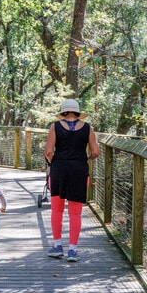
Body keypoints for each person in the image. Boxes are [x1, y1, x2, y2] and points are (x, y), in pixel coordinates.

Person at [43, 98, 100, 262]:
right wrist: (85, 159)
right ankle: (73, 250)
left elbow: (48, 151)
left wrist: (55, 162)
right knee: (75, 212)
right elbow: (96, 152)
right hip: (79, 170)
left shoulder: (55, 127)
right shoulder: (88, 128)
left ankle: (57, 246)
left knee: (56, 210)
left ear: (63, 112)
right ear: (77, 112)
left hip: (59, 169)